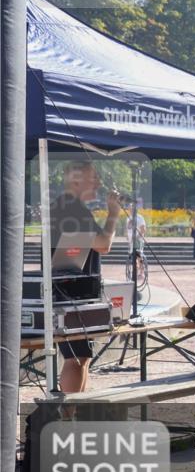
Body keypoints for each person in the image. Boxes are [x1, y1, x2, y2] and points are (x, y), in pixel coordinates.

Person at [50, 161, 121, 393]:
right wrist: (113, 214)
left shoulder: (73, 208)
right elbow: (103, 244)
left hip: (78, 294)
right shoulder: (69, 209)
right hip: (68, 295)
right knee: (77, 358)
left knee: (83, 357)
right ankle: (68, 411)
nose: (99, 183)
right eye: (94, 178)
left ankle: (75, 409)